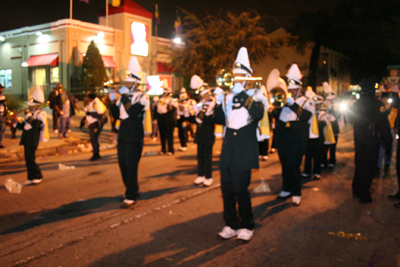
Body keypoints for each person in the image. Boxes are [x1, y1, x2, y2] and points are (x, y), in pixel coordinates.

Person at [214, 47, 267, 242]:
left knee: (240, 189)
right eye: (234, 76)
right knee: (226, 189)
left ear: (248, 77)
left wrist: (242, 93)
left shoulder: (256, 94)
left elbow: (259, 114)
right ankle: (230, 224)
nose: (235, 79)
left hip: (244, 148)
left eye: (239, 76)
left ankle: (247, 225)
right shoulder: (228, 95)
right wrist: (218, 101)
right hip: (228, 147)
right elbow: (219, 119)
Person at [269, 65, 312, 206]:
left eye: (294, 89)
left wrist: (293, 104)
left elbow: (306, 116)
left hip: (296, 139)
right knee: (285, 165)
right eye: (290, 89)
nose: (292, 92)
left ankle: (296, 192)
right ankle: (286, 189)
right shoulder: (283, 101)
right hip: (282, 137)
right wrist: (278, 106)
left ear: (300, 89)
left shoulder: (306, 101)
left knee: (294, 165)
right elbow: (274, 115)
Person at [350, 76, 392, 203]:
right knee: (369, 166)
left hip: (359, 136)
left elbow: (352, 120)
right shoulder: (377, 104)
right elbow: (383, 125)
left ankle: (356, 190)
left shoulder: (356, 104)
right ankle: (364, 194)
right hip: (371, 137)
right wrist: (388, 142)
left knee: (360, 164)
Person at [116, 62, 150, 208]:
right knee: (122, 163)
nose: (127, 85)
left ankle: (130, 194)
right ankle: (132, 190)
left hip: (134, 131)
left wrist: (124, 97)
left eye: (130, 83)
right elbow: (116, 114)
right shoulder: (124, 96)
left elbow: (132, 112)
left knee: (131, 164)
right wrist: (113, 100)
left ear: (136, 83)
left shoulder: (143, 97)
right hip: (123, 130)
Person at [15, 86, 48, 185]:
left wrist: (28, 116)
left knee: (31, 158)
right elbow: (24, 126)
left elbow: (35, 125)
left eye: (31, 105)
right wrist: (14, 123)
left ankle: (38, 176)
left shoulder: (41, 114)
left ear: (37, 105)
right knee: (27, 159)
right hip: (26, 138)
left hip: (33, 139)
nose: (29, 106)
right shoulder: (30, 113)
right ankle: (31, 177)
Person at [193, 85, 216, 187]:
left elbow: (208, 120)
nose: (202, 98)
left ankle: (208, 177)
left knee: (207, 157)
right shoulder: (201, 105)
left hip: (208, 133)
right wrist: (194, 111)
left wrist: (200, 112)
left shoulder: (213, 105)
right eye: (202, 96)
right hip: (200, 133)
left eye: (204, 96)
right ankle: (200, 175)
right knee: (200, 156)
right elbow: (197, 120)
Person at [301, 88, 322, 179]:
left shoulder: (321, 113)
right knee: (308, 155)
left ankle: (317, 172)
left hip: (317, 136)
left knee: (317, 155)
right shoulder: (309, 109)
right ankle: (307, 171)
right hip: (308, 136)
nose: (317, 106)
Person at [321, 82, 343, 169]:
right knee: (324, 145)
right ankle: (323, 160)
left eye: (331, 100)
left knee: (333, 146)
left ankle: (332, 161)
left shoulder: (337, 106)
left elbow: (338, 116)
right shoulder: (324, 105)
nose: (330, 101)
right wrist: (326, 109)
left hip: (334, 126)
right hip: (326, 126)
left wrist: (332, 109)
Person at [154, 87, 177, 155]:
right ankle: (163, 149)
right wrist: (155, 118)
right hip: (161, 118)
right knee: (162, 135)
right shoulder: (159, 100)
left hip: (169, 119)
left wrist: (169, 103)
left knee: (170, 135)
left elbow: (175, 107)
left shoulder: (172, 100)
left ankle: (170, 149)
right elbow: (156, 109)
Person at [85, 91, 107, 161]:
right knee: (93, 139)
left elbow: (100, 115)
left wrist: (91, 114)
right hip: (91, 124)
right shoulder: (92, 103)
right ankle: (96, 153)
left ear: (90, 98)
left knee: (93, 138)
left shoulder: (97, 103)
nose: (86, 98)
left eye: (88, 97)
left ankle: (96, 154)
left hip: (96, 124)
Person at [0, 84, 7, 148]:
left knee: (2, 129)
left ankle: (0, 143)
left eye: (2, 88)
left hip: (2, 115)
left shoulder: (2, 96)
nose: (2, 89)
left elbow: (5, 105)